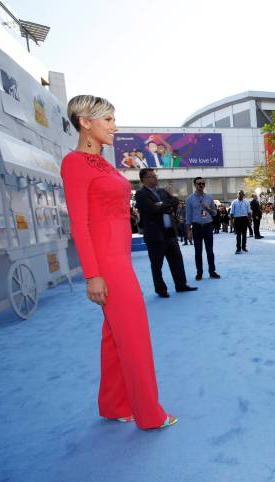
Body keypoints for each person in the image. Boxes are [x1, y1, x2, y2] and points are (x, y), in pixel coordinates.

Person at [61, 95, 176, 430]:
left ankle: (113, 404)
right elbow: (79, 224)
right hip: (107, 263)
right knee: (134, 333)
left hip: (119, 257)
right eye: (107, 120)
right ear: (85, 121)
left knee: (114, 334)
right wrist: (93, 275)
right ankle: (149, 415)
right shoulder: (74, 163)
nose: (115, 126)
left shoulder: (104, 163)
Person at [135, 169, 198, 297]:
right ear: (144, 179)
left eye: (155, 175)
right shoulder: (140, 194)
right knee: (157, 265)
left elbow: (175, 201)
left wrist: (161, 204)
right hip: (155, 235)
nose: (155, 178)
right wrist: (163, 206)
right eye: (152, 176)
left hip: (170, 232)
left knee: (177, 260)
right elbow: (151, 209)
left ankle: (181, 284)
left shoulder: (162, 191)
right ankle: (161, 289)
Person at [185, 177, 221, 280]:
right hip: (196, 227)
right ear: (194, 185)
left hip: (208, 226)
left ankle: (212, 271)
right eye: (198, 183)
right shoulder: (189, 199)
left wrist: (208, 208)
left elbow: (214, 213)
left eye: (202, 183)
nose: (201, 185)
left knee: (210, 251)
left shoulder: (209, 198)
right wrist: (188, 231)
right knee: (198, 252)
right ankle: (199, 273)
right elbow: (188, 217)